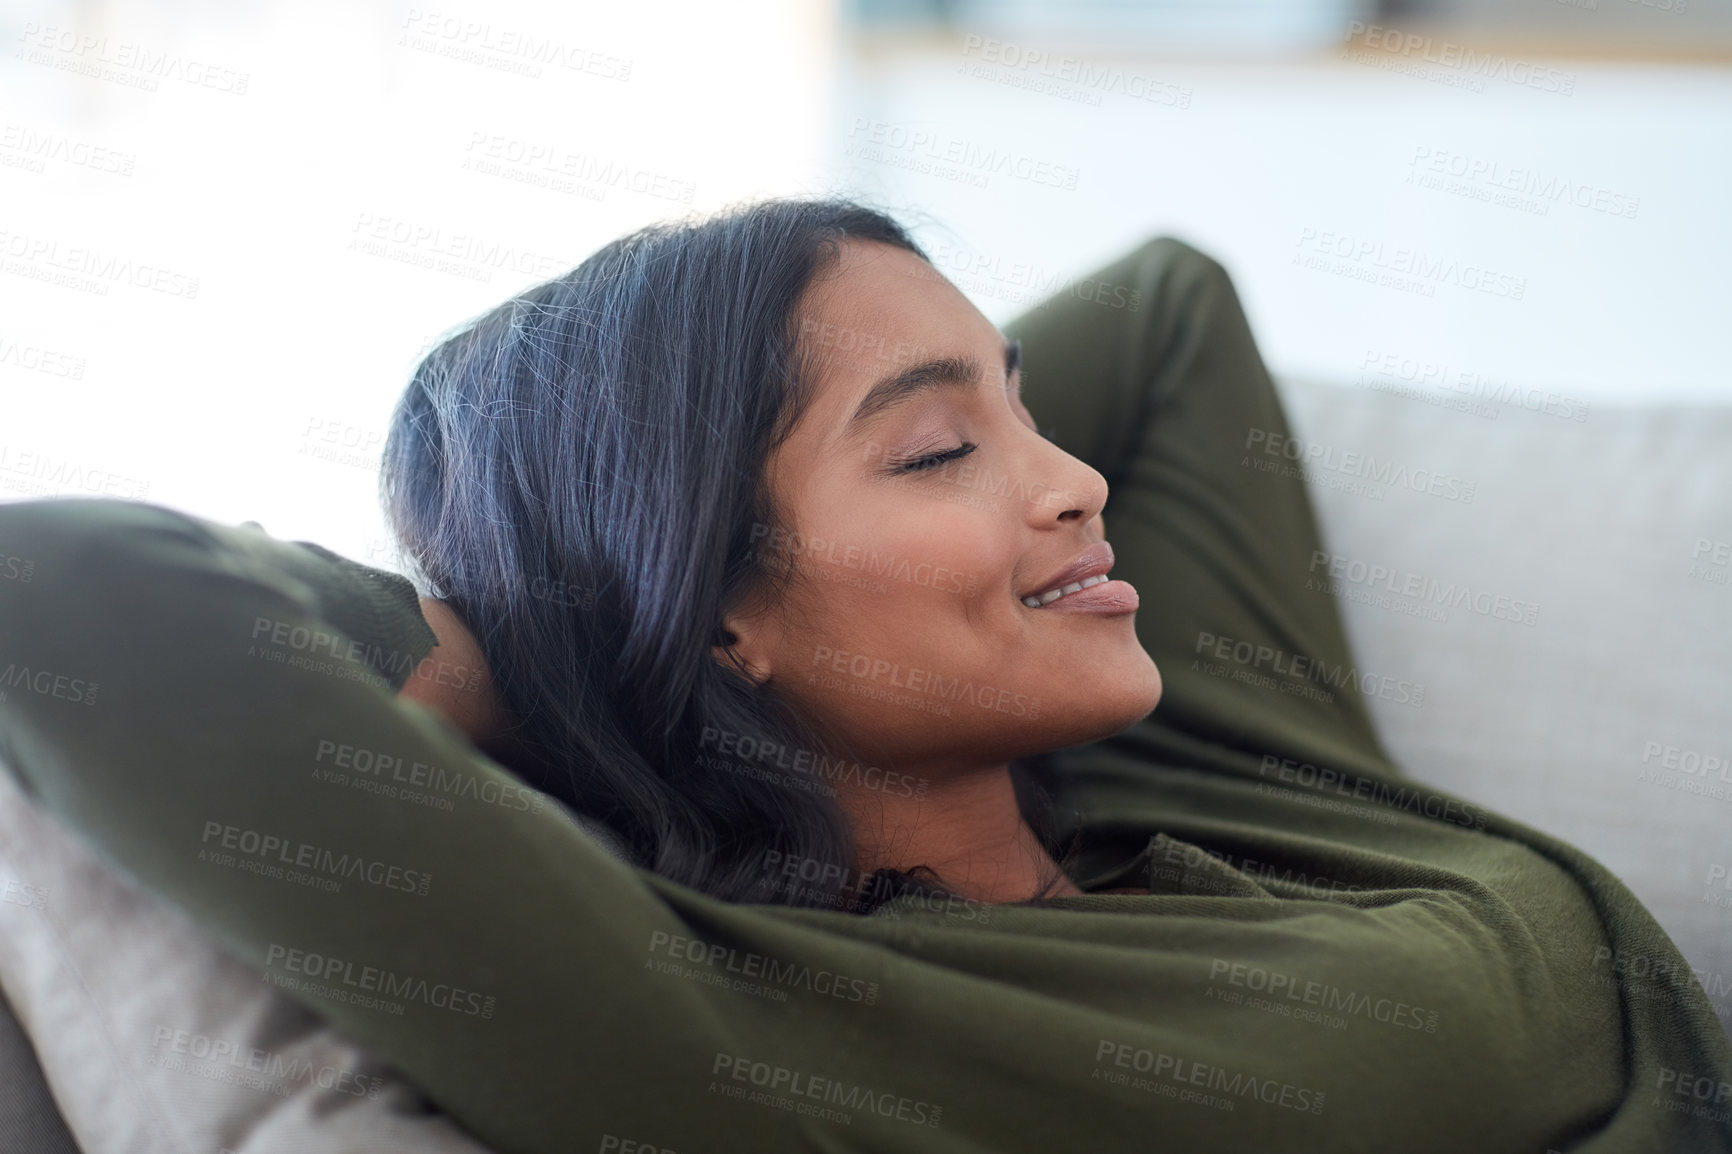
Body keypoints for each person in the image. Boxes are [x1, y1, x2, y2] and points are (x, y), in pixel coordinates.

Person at [0, 198, 1726, 1154]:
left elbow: (1170, 303)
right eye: (934, 453)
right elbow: (62, 584)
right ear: (712, 606)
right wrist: (562, 637)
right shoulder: (767, 1025)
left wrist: (925, 390)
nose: (1070, 478)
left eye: (1026, 409)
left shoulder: (1192, 761)